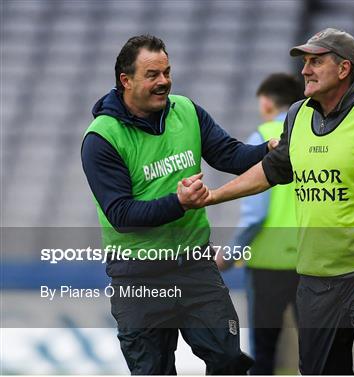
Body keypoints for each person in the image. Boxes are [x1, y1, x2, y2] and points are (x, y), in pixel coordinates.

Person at [182, 28, 354, 375]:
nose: (305, 71)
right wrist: (213, 197)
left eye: (316, 62)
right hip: (314, 277)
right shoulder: (297, 116)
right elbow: (272, 169)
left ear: (343, 69)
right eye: (305, 63)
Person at [81, 34, 277, 375]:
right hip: (137, 277)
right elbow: (122, 215)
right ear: (126, 81)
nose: (164, 82)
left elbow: (228, 154)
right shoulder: (101, 138)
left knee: (230, 360)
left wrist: (266, 150)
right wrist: (179, 203)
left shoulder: (186, 110)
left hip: (194, 267)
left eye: (167, 72)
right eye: (153, 75)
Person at [219, 73, 304, 374]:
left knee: (264, 351)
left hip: (268, 261)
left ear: (266, 102)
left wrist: (229, 255)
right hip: (312, 259)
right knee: (316, 348)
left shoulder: (263, 136)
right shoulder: (313, 133)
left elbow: (256, 214)